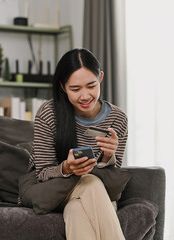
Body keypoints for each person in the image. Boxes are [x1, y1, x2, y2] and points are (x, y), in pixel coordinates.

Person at [25, 48, 128, 240]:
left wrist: (108, 156)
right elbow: (42, 173)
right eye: (75, 89)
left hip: (96, 196)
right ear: (63, 87)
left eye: (91, 86)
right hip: (55, 191)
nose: (85, 96)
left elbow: (114, 180)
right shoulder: (49, 113)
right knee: (90, 182)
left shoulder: (117, 118)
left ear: (101, 78)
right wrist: (67, 168)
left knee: (76, 210)